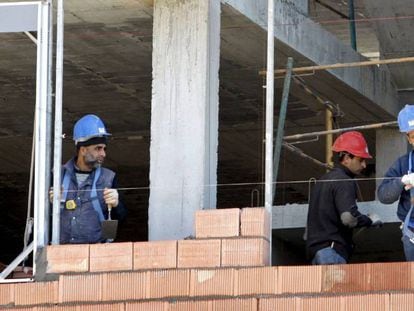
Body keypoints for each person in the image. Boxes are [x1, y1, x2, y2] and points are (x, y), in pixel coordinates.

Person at [306, 131, 382, 265]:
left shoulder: (322, 181)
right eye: (361, 160)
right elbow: (348, 218)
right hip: (332, 252)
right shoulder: (344, 181)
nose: (364, 165)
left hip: (316, 253)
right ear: (346, 158)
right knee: (337, 286)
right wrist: (369, 220)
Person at [52, 114, 127, 244]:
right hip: (61, 254)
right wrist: (49, 204)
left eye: (104, 149)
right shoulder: (57, 175)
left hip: (96, 256)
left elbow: (122, 219)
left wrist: (116, 205)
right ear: (83, 150)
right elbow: (39, 222)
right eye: (98, 148)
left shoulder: (108, 178)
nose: (103, 154)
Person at [377, 104, 414, 261]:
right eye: (413, 136)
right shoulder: (404, 164)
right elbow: (384, 195)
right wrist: (401, 181)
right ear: (408, 138)